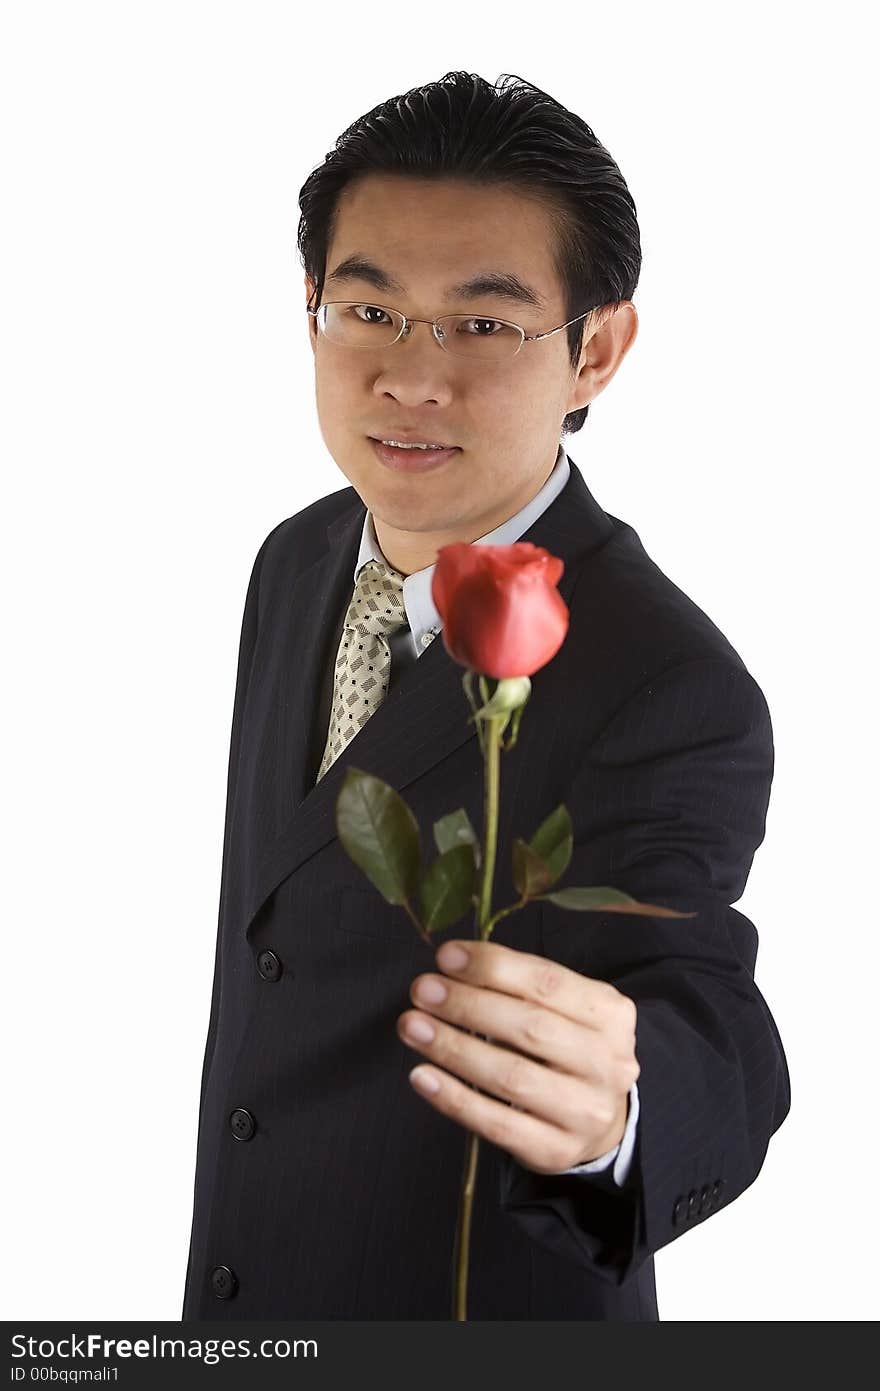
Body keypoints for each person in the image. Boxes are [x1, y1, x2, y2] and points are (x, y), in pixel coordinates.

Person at [181, 70, 790, 1321]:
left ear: (596, 349)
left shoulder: (668, 679)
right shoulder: (297, 559)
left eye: (482, 323)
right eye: (368, 309)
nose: (411, 376)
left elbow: (700, 1008)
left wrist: (621, 1114)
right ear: (310, 313)